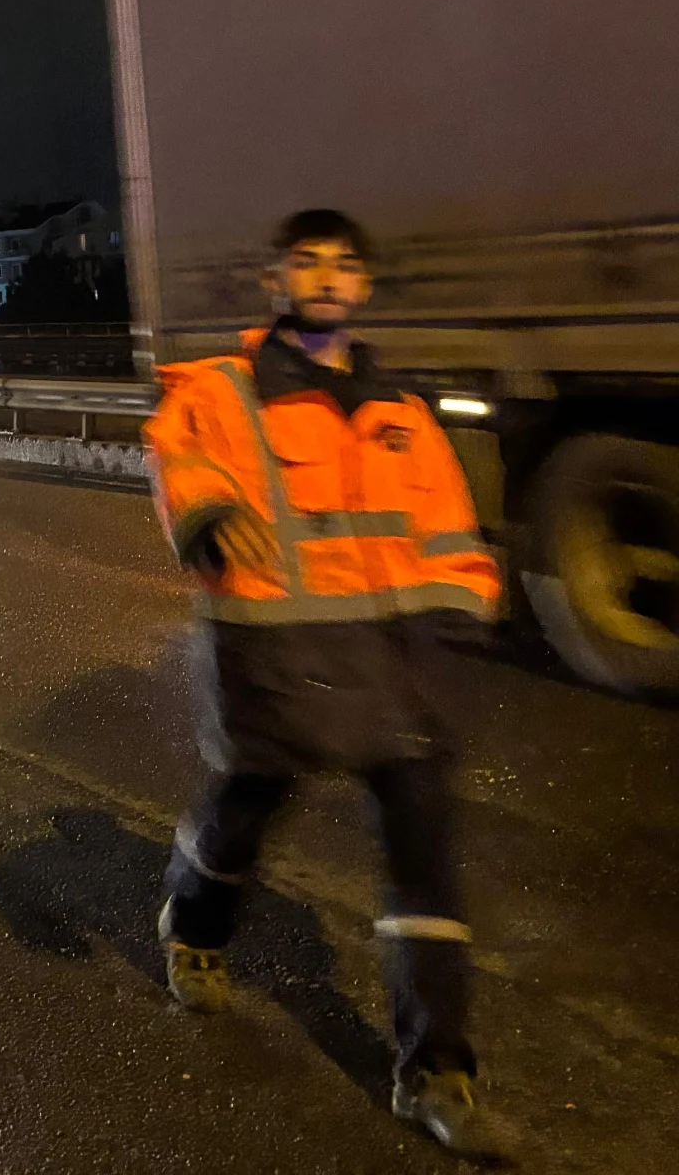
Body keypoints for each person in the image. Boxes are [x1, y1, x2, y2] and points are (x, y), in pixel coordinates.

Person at [144, 209, 503, 1159]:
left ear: (365, 289)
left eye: (346, 266)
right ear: (275, 283)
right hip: (275, 658)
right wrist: (208, 506)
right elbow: (179, 450)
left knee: (425, 860)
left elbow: (450, 530)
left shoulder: (400, 412)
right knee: (244, 815)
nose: (329, 278)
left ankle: (438, 1072)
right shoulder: (225, 388)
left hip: (393, 668)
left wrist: (463, 609)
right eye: (308, 264)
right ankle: (195, 924)